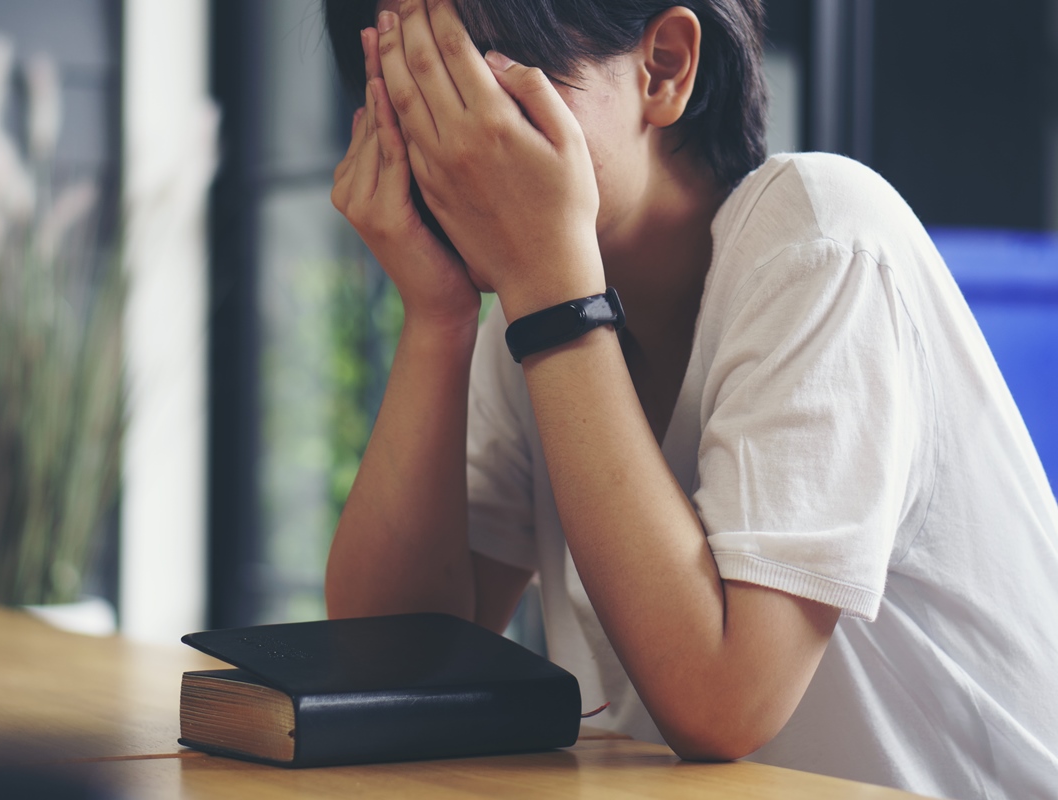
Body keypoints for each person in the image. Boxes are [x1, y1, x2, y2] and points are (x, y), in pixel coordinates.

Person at [321, 1, 1058, 796]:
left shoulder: (821, 241)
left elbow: (723, 705)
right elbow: (390, 670)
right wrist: (437, 317)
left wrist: (549, 294)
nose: (451, 147)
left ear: (663, 66)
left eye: (478, 85)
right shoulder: (535, 319)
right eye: (411, 95)